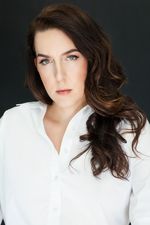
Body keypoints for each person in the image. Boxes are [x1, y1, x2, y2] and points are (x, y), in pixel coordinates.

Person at [0, 3, 150, 225]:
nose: (59, 75)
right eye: (46, 61)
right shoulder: (11, 125)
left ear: (91, 57)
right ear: (36, 65)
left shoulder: (130, 129)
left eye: (71, 57)